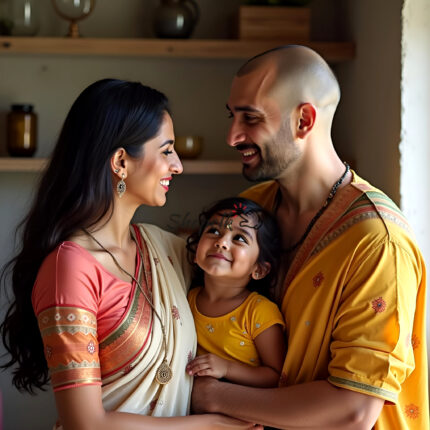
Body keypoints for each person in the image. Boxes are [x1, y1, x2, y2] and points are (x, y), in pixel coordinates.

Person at [191, 45, 429, 430]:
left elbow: (352, 412)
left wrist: (212, 396)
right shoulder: (250, 211)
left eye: (250, 119)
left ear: (304, 120)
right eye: (232, 117)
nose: (232, 136)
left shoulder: (378, 243)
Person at [0, 79, 260, 430]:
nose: (178, 165)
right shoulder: (70, 269)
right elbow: (85, 423)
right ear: (121, 161)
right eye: (167, 150)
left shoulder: (163, 248)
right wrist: (208, 425)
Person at [185, 197, 286, 388]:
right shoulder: (185, 298)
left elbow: (276, 376)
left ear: (259, 269)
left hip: (240, 412)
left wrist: (226, 369)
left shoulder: (260, 311)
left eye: (239, 238)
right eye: (214, 231)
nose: (221, 242)